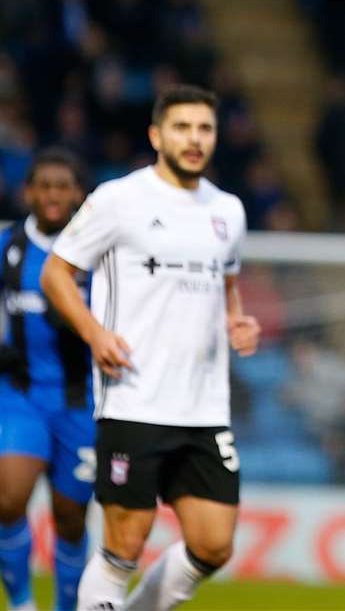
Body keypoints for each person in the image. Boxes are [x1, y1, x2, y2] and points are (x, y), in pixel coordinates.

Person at [40, 85, 261, 611]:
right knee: (125, 546)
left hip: (205, 408)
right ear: (157, 135)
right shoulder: (121, 199)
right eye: (182, 128)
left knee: (213, 544)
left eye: (204, 128)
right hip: (134, 399)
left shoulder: (228, 210)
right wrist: (95, 333)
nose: (195, 139)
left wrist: (237, 323)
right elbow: (57, 273)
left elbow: (227, 281)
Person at [0, 149, 93, 611]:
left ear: (77, 193)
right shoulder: (8, 247)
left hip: (81, 400)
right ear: (29, 192)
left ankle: (66, 607)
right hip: (20, 394)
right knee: (8, 499)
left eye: (63, 186)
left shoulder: (99, 251)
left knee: (70, 516)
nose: (54, 194)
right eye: (45, 186)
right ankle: (21, 603)